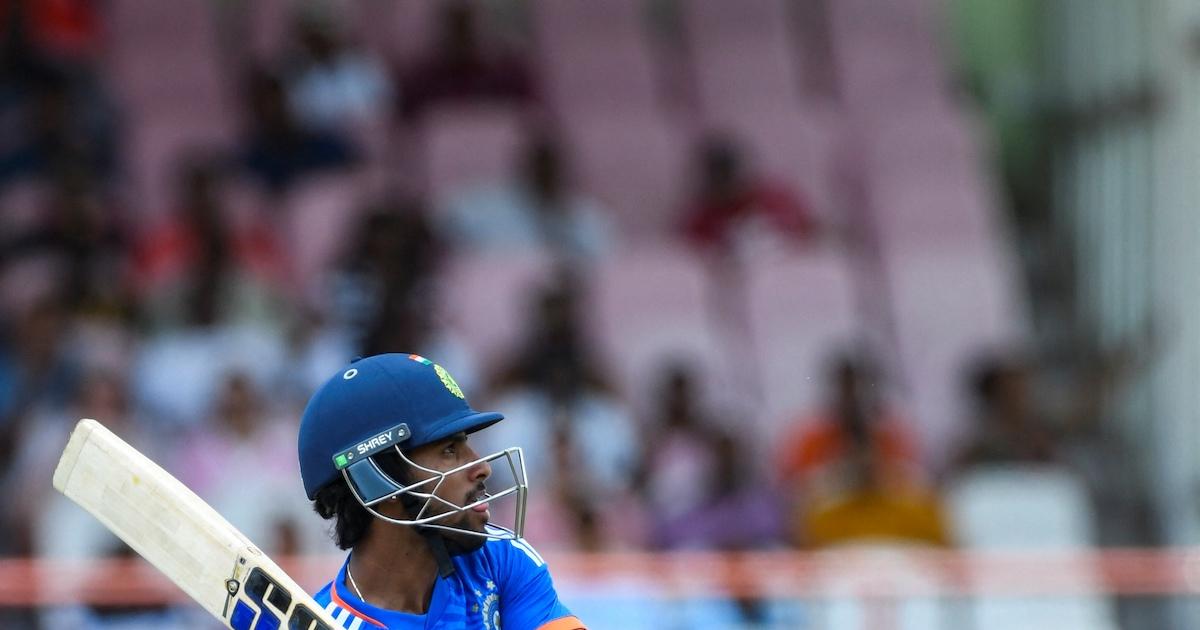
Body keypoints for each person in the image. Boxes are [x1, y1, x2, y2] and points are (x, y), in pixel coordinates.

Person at [298, 353, 586, 629]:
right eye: (449, 450)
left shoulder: (499, 559)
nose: (483, 467)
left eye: (465, 443)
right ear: (377, 479)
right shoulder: (330, 622)